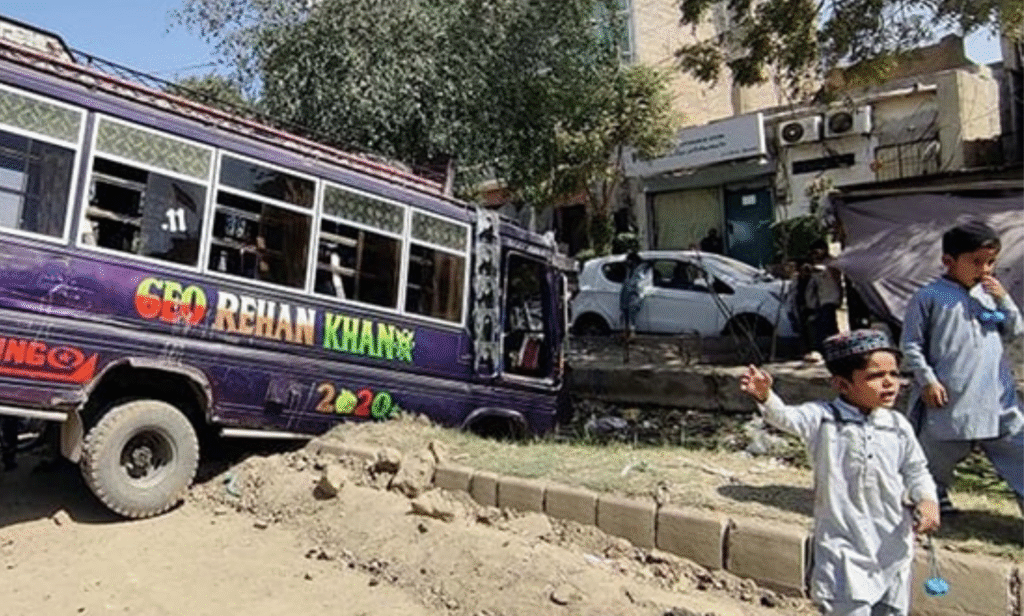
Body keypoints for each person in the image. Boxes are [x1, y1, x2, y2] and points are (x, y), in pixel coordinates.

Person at [740, 329, 940, 616]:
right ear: (842, 384)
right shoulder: (823, 419)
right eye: (875, 376)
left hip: (893, 545)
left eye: (894, 374)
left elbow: (916, 470)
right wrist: (766, 396)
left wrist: (927, 501)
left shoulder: (897, 425)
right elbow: (786, 418)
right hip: (843, 547)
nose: (889, 383)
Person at [900, 221, 1024, 515]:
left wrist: (1004, 299)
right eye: (976, 262)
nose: (985, 270)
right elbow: (911, 344)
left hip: (997, 396)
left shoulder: (989, 295)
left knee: (1019, 450)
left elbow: (1015, 330)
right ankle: (931, 500)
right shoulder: (929, 297)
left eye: (991, 262)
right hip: (951, 395)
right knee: (936, 455)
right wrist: (928, 380)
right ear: (949, 261)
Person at [804, 239, 844, 355]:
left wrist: (840, 296)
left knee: (828, 324)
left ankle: (835, 347)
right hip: (820, 299)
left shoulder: (831, 263)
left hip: (830, 297)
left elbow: (836, 277)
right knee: (821, 325)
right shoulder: (815, 264)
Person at [619, 251, 650, 362]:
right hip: (628, 296)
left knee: (630, 314)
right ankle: (627, 335)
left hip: (633, 296)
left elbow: (636, 284)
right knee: (627, 315)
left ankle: (630, 335)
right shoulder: (631, 271)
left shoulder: (640, 271)